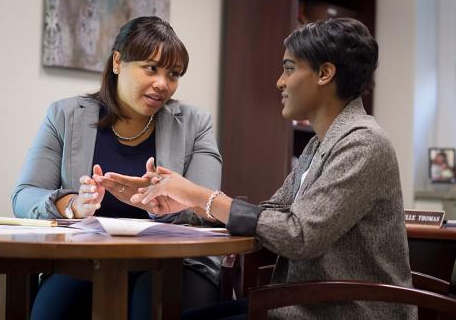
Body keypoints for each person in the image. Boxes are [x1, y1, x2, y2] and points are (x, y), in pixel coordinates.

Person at [124, 18, 417, 319]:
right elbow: (273, 213)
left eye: (289, 69)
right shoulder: (320, 144)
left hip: (345, 311)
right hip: (307, 306)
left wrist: (201, 195)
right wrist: (191, 205)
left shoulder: (363, 144)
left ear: (325, 74)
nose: (280, 81)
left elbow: (299, 235)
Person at [11, 16, 223, 320]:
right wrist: (73, 205)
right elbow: (24, 196)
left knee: (148, 305)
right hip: (85, 262)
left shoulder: (195, 123)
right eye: (151, 68)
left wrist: (162, 204)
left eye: (173, 74)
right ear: (118, 62)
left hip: (178, 264)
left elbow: (208, 207)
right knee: (53, 311)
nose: (163, 84)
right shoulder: (64, 115)